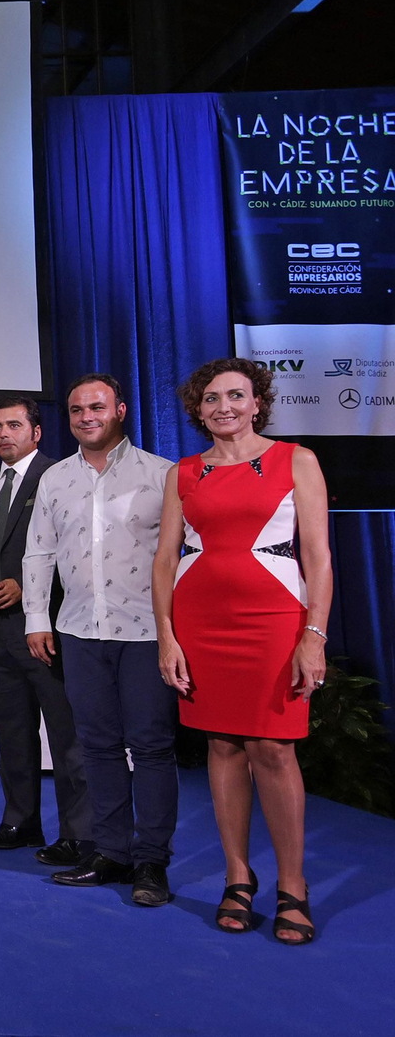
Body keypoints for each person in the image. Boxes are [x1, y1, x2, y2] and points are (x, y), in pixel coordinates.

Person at [152, 359, 331, 944]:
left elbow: (319, 559)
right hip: (201, 622)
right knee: (223, 745)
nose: (223, 406)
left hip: (275, 621)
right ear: (197, 410)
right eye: (210, 399)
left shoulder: (295, 460)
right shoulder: (183, 472)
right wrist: (167, 635)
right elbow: (165, 560)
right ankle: (237, 876)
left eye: (235, 395)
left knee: (273, 749)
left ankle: (293, 885)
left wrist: (315, 634)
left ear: (258, 402)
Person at [24, 373, 177, 907]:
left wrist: (175, 630)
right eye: (76, 410)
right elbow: (38, 553)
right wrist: (36, 618)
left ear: (121, 410)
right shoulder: (55, 479)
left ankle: (151, 861)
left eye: (97, 407)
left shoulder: (164, 475)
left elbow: (187, 553)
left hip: (144, 633)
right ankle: (110, 852)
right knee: (97, 747)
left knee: (152, 748)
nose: (86, 417)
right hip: (78, 631)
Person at [0, 398, 91, 867]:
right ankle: (20, 822)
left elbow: (80, 550)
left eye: (14, 425)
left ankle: (79, 834)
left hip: (51, 630)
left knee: (66, 739)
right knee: (12, 737)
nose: (4, 434)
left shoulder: (63, 477)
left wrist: (30, 586)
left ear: (36, 432)